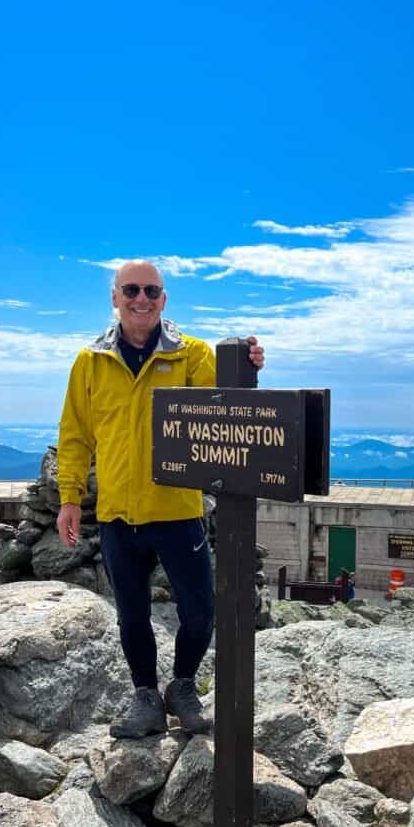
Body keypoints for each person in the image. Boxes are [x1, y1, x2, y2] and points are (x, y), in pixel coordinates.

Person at [57, 260, 264, 739]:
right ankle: (146, 698)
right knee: (132, 617)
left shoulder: (190, 355)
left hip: (178, 513)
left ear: (164, 300)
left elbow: (227, 405)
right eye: (131, 289)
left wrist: (247, 366)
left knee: (200, 613)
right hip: (116, 517)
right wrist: (70, 498)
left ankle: (183, 686)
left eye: (152, 291)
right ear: (115, 297)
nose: (141, 299)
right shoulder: (90, 361)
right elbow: (75, 435)